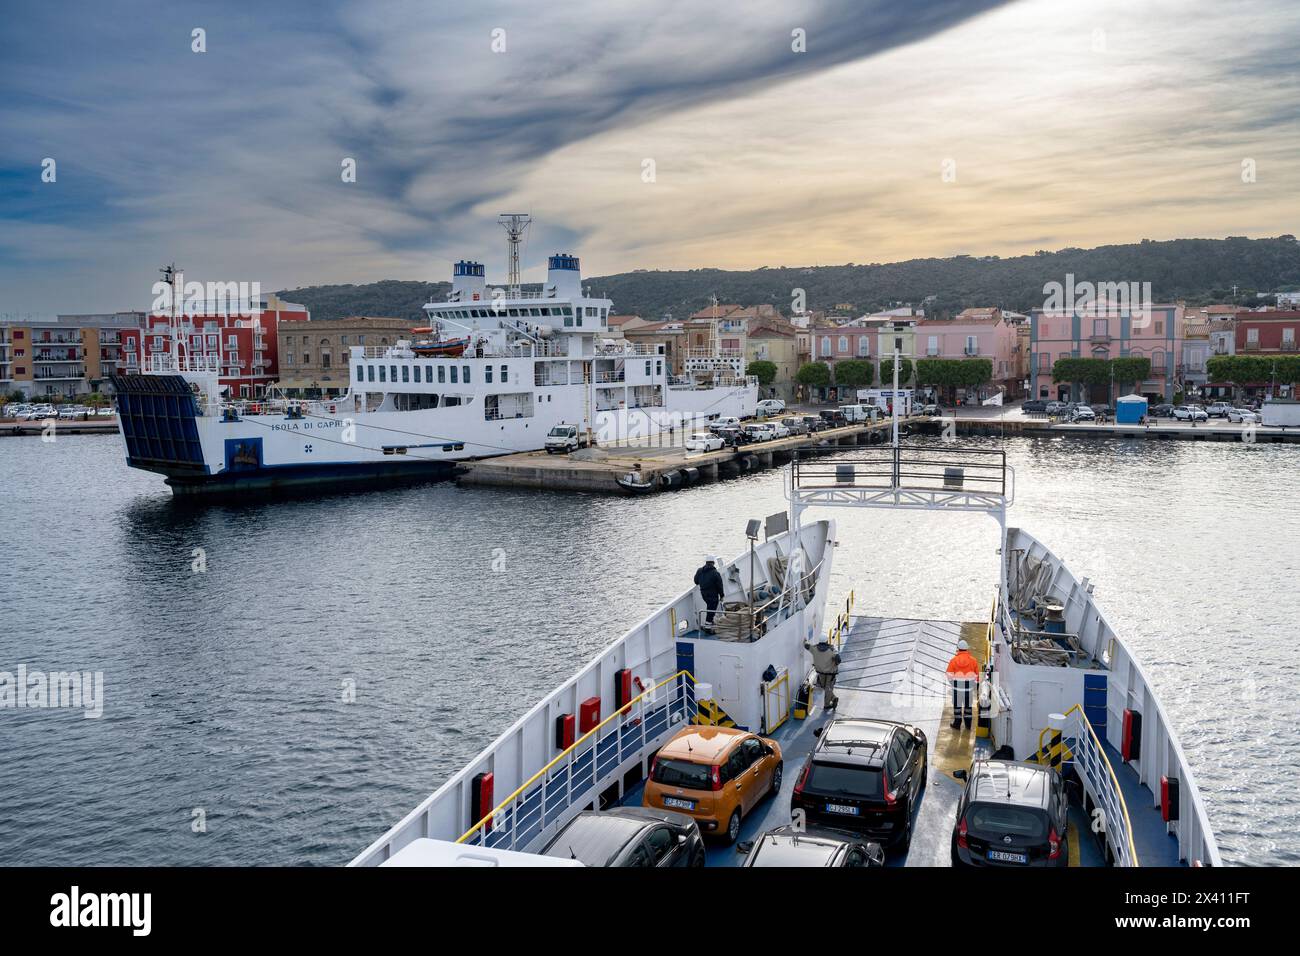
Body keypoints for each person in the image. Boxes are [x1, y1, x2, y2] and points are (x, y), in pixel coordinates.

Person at [946, 639, 980, 730]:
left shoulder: (953, 660)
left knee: (957, 707)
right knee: (968, 708)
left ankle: (957, 724)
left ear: (958, 649)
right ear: (967, 649)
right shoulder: (973, 661)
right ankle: (968, 725)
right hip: (968, 689)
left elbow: (949, 674)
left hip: (957, 689)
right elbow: (977, 676)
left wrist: (953, 683)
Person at [803, 637, 842, 711]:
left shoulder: (814, 649)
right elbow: (838, 659)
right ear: (826, 641)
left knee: (823, 686)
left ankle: (830, 701)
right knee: (828, 687)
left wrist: (805, 641)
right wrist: (835, 663)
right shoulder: (831, 650)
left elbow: (807, 646)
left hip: (820, 671)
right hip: (831, 672)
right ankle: (830, 701)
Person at [693, 557, 725, 631]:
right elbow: (719, 585)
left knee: (709, 607)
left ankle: (710, 622)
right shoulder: (715, 573)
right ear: (713, 563)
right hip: (713, 595)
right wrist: (722, 595)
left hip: (704, 594)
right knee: (711, 609)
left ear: (706, 562)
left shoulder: (699, 570)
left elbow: (696, 581)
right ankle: (708, 625)